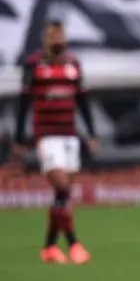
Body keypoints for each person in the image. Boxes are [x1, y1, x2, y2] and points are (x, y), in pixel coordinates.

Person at [13, 17, 98, 264]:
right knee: (62, 187)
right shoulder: (34, 64)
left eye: (60, 35)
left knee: (63, 196)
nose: (57, 38)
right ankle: (73, 244)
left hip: (69, 135)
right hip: (46, 135)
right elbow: (23, 102)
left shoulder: (73, 64)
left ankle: (49, 247)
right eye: (52, 35)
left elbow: (82, 100)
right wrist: (19, 137)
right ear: (45, 38)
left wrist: (91, 133)